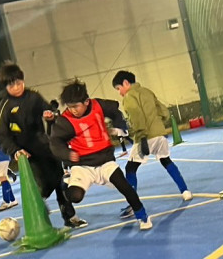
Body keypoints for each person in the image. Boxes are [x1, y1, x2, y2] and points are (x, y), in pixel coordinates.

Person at [49, 80, 152, 230]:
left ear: (86, 102)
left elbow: (115, 109)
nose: (73, 110)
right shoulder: (65, 121)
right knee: (75, 196)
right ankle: (66, 183)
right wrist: (67, 154)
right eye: (69, 107)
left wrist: (119, 126)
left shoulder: (98, 105)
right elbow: (55, 142)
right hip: (83, 165)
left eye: (76, 106)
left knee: (126, 187)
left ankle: (142, 216)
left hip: (105, 162)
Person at [0, 63, 86, 229]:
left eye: (19, 83)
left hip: (45, 148)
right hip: (26, 156)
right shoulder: (4, 107)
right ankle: (41, 224)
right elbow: (2, 136)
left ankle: (70, 217)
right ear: (5, 86)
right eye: (11, 85)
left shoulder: (34, 96)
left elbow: (49, 111)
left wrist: (50, 116)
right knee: (38, 189)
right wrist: (15, 151)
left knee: (60, 183)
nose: (16, 87)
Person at [112, 70, 192, 214]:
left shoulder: (129, 97)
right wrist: (158, 124)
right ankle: (185, 191)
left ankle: (133, 205)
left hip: (145, 136)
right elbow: (164, 111)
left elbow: (137, 117)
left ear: (126, 83)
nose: (119, 93)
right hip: (159, 134)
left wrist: (141, 136)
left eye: (118, 88)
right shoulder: (147, 91)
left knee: (130, 169)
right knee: (166, 161)